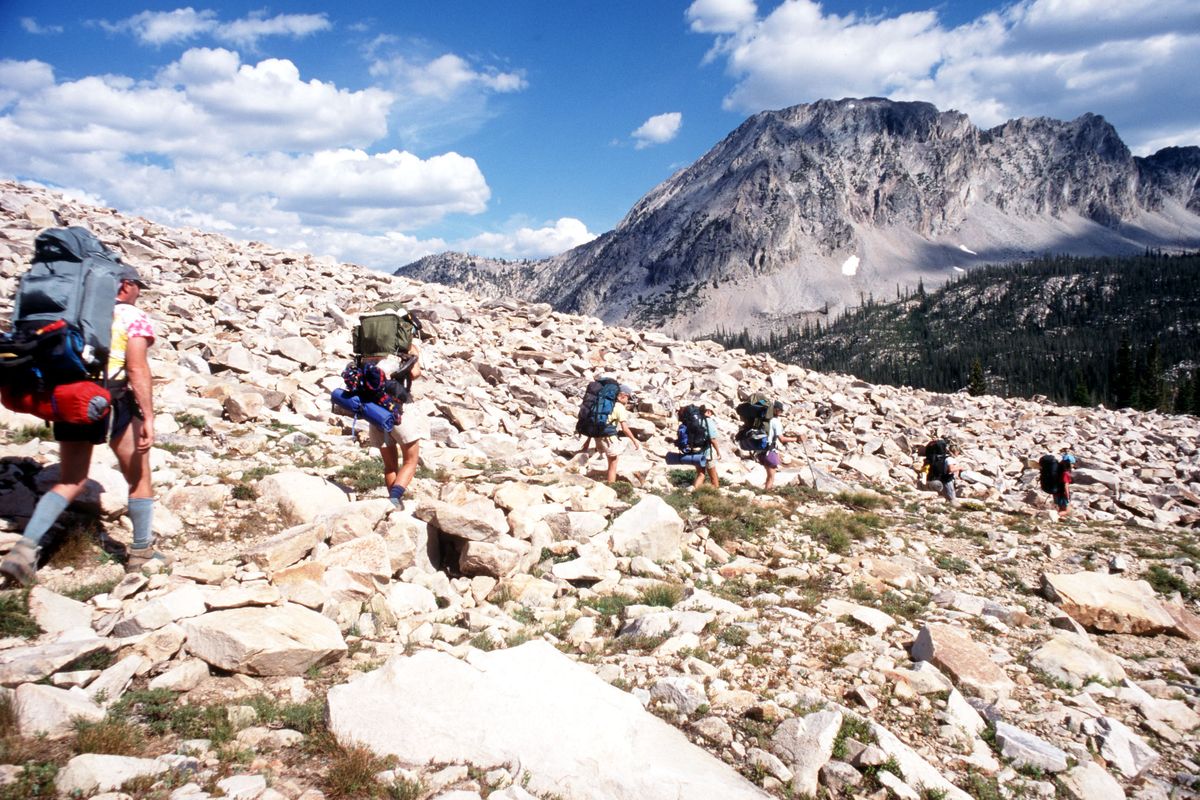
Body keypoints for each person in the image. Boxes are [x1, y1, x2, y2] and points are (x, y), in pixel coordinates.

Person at [1, 265, 169, 585]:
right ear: (125, 286)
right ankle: (141, 552)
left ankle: (24, 551)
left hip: (73, 398)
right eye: (138, 287)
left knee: (72, 479)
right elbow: (136, 368)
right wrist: (147, 414)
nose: (139, 293)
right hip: (114, 401)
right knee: (139, 476)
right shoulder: (131, 316)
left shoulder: (70, 315)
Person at [365, 341, 428, 510]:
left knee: (390, 465)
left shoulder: (368, 350)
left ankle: (393, 504)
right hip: (398, 410)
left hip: (375, 412)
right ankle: (394, 499)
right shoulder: (403, 349)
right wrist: (415, 352)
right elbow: (415, 373)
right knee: (411, 460)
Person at [595, 384, 640, 482]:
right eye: (628, 397)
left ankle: (604, 481)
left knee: (609, 461)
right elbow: (625, 428)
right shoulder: (619, 407)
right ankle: (611, 489)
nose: (628, 400)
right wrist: (634, 440)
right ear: (623, 396)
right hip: (609, 437)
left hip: (598, 436)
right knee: (613, 465)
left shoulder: (604, 404)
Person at [761, 400, 801, 490]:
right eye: (780, 411)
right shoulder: (775, 421)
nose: (781, 413)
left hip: (760, 451)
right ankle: (765, 494)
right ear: (776, 410)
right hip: (769, 450)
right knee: (771, 477)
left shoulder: (764, 420)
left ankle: (764, 492)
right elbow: (782, 439)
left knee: (769, 475)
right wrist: (796, 439)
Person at [925, 438, 963, 505]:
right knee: (952, 499)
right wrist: (960, 468)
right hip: (947, 480)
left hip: (938, 479)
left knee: (944, 497)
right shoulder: (950, 459)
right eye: (958, 452)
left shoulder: (940, 458)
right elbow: (951, 469)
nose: (958, 453)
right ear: (956, 451)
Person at [692, 405, 722, 490]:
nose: (711, 414)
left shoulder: (695, 420)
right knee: (713, 475)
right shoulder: (708, 421)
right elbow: (712, 439)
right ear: (708, 411)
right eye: (711, 412)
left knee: (701, 474)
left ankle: (695, 492)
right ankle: (716, 493)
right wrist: (718, 451)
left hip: (695, 450)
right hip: (706, 451)